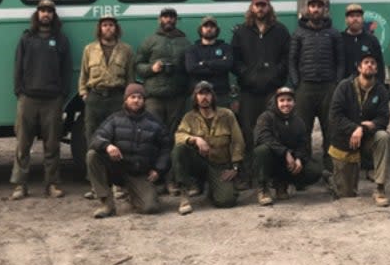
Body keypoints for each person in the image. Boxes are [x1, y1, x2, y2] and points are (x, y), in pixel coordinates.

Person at [9, 0, 71, 201]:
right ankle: (20, 184)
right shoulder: (26, 38)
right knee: (23, 144)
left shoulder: (61, 40)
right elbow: (17, 66)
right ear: (37, 14)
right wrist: (19, 91)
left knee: (52, 145)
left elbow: (66, 70)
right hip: (28, 98)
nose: (46, 14)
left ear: (54, 15)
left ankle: (52, 184)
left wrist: (62, 94)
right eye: (43, 11)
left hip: (52, 100)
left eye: (50, 11)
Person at [86, 83, 170, 218]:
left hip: (139, 173)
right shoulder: (115, 119)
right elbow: (96, 138)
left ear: (144, 101)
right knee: (93, 155)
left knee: (150, 208)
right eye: (133, 97)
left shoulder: (155, 123)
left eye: (140, 97)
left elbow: (166, 147)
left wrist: (158, 169)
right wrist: (108, 146)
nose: (136, 100)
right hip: (117, 168)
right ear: (126, 100)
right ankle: (106, 204)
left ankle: (133, 194)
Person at [231, 0, 291, 179]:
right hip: (248, 91)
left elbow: (286, 58)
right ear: (252, 7)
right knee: (248, 132)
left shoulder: (280, 31)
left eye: (264, 5)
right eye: (257, 5)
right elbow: (235, 60)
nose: (260, 8)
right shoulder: (241, 31)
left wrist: (275, 75)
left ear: (269, 7)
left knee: (274, 130)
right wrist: (247, 75)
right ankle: (251, 173)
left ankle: (274, 174)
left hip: (272, 90)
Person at [78, 15, 135, 199]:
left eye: (111, 25)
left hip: (117, 97)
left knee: (119, 139)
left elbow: (130, 77)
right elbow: (83, 74)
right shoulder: (90, 49)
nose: (108, 28)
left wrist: (128, 98)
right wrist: (84, 93)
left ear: (116, 28)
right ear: (99, 28)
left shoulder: (126, 50)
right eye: (104, 25)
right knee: (92, 139)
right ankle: (96, 185)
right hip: (95, 97)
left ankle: (118, 184)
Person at [327, 54, 390, 206]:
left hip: (368, 138)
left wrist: (363, 128)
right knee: (347, 195)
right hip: (345, 141)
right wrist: (355, 128)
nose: (369, 65)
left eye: (373, 63)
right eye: (366, 62)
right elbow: (334, 116)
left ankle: (380, 188)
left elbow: (384, 118)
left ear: (376, 68)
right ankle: (332, 179)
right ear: (359, 68)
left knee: (383, 137)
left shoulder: (381, 90)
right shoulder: (344, 86)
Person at [172, 81, 245, 215]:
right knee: (179, 149)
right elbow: (179, 136)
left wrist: (235, 167)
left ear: (213, 96)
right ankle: (184, 193)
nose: (204, 97)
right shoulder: (189, 117)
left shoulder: (227, 115)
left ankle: (213, 189)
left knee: (226, 201)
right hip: (199, 163)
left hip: (220, 165)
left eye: (207, 93)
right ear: (195, 97)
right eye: (200, 94)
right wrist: (195, 139)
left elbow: (237, 141)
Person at [289, 0, 343, 168]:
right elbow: (292, 60)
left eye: (319, 6)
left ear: (324, 9)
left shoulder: (333, 33)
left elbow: (341, 61)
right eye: (313, 6)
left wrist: (337, 83)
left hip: (328, 87)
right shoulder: (299, 33)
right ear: (308, 9)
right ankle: (305, 167)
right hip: (305, 87)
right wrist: (297, 83)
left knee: (330, 128)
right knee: (303, 130)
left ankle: (330, 167)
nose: (316, 9)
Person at [253, 86, 322, 205]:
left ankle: (282, 183)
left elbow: (303, 143)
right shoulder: (266, 117)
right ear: (276, 102)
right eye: (282, 100)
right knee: (262, 150)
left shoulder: (298, 121)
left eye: (289, 100)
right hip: (271, 160)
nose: (286, 104)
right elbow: (263, 137)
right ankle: (263, 189)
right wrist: (285, 152)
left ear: (294, 102)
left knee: (314, 171)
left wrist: (299, 158)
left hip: (288, 163)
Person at [135, 7, 191, 139]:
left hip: (177, 96)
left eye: (172, 17)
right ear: (159, 19)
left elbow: (190, 69)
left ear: (176, 20)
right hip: (154, 97)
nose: (168, 20)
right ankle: (155, 159)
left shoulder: (185, 42)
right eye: (165, 17)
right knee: (152, 131)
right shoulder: (150, 40)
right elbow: (137, 65)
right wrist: (151, 69)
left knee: (175, 133)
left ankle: (171, 159)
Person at [184, 15, 234, 103]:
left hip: (220, 94)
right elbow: (191, 68)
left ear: (216, 29)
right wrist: (218, 65)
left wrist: (204, 63)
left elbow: (228, 65)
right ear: (201, 29)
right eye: (206, 26)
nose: (209, 29)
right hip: (199, 95)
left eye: (212, 26)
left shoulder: (225, 48)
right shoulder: (192, 49)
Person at [340, 3, 385, 84]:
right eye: (352, 16)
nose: (355, 19)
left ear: (362, 19)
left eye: (358, 16)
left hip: (367, 86)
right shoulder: (339, 39)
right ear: (346, 19)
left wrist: (379, 86)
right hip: (344, 88)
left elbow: (380, 66)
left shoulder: (372, 40)